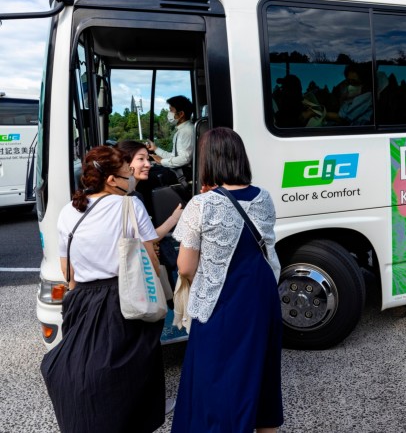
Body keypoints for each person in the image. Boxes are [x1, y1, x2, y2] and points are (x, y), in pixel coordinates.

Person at [41, 146, 165, 433]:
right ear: (111, 180)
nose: (132, 177)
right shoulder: (130, 205)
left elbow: (67, 271)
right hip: (122, 299)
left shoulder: (68, 211)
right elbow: (151, 260)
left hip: (82, 300)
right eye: (127, 173)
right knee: (130, 376)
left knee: (87, 370)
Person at [171, 127, 283, 432]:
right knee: (263, 371)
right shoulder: (264, 197)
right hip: (261, 295)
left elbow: (184, 266)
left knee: (218, 378)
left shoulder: (201, 204)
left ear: (209, 161)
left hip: (223, 300)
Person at [116, 140, 182, 239]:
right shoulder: (130, 197)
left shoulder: (134, 191)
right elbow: (149, 239)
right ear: (125, 162)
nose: (148, 165)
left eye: (147, 159)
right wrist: (174, 218)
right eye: (141, 159)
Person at [145, 95, 195, 183]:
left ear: (181, 114)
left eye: (171, 110)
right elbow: (174, 156)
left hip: (184, 172)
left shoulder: (186, 132)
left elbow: (184, 159)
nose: (169, 113)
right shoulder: (182, 130)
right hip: (180, 169)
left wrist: (162, 161)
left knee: (147, 178)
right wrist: (155, 149)